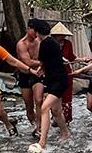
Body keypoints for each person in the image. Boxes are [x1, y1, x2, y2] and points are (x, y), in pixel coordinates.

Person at [29, 22, 71, 152]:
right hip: (56, 79)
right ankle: (65, 133)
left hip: (57, 81)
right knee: (56, 110)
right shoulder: (53, 42)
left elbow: (42, 62)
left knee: (44, 108)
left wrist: (39, 69)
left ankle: (42, 142)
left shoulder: (45, 43)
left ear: (37, 32)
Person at [51, 22, 89, 125]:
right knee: (55, 97)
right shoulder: (49, 44)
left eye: (63, 35)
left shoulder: (68, 44)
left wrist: (82, 59)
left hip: (67, 73)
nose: (62, 37)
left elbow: (72, 57)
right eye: (60, 35)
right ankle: (56, 116)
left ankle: (66, 119)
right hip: (54, 73)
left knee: (67, 96)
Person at [16, 19, 46, 135]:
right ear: (29, 29)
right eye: (35, 31)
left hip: (38, 75)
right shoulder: (21, 44)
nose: (36, 34)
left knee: (39, 100)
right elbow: (27, 62)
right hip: (25, 74)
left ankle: (39, 127)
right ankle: (34, 124)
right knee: (29, 105)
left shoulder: (39, 41)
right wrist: (43, 62)